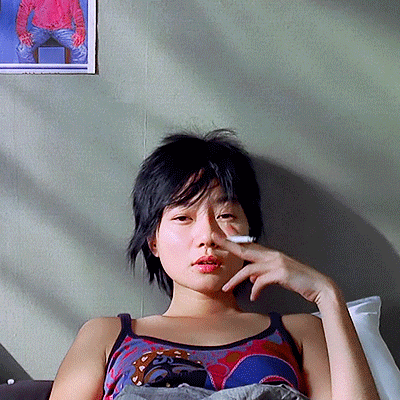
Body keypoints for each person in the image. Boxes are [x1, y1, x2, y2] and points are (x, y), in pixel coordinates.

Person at [49, 130, 380, 400]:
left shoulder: (298, 333)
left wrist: (326, 294)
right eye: (183, 217)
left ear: (250, 234)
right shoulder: (108, 336)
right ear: (153, 241)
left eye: (225, 215)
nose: (207, 236)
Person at [15, 0, 87, 64]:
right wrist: (22, 32)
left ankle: (75, 74)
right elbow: (23, 9)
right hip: (40, 29)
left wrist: (80, 31)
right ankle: (32, 74)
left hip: (63, 29)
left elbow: (77, 11)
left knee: (81, 50)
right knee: (23, 49)